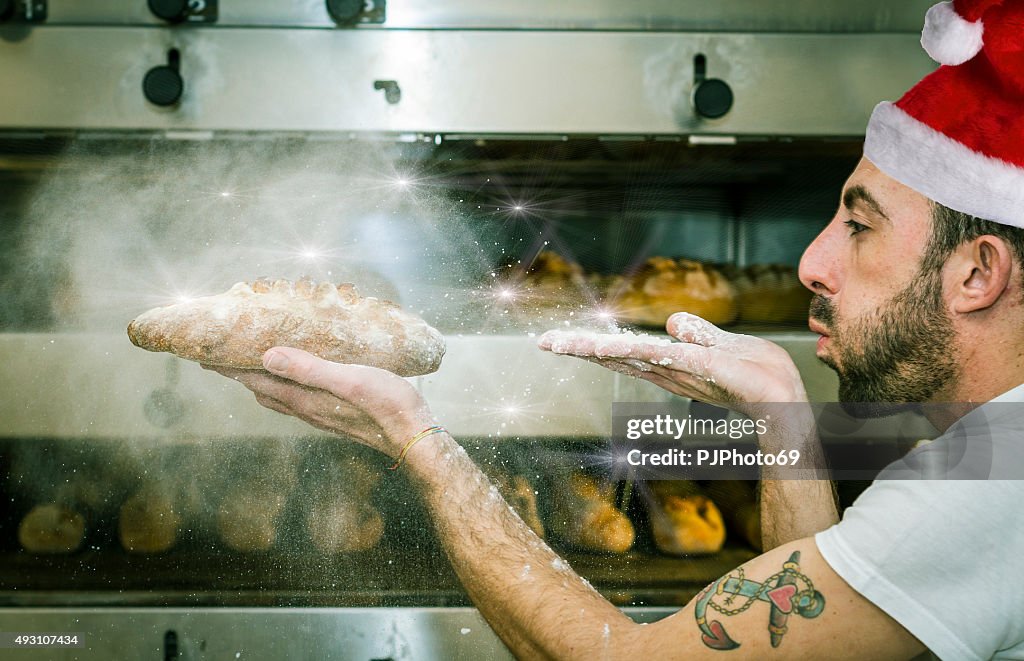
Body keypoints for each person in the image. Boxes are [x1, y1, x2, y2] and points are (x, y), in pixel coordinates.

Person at [208, 1, 1024, 658]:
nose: (813, 261)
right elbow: (800, 644)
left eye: (859, 226)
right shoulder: (992, 459)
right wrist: (782, 412)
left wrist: (416, 437)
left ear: (977, 273)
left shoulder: (986, 494)